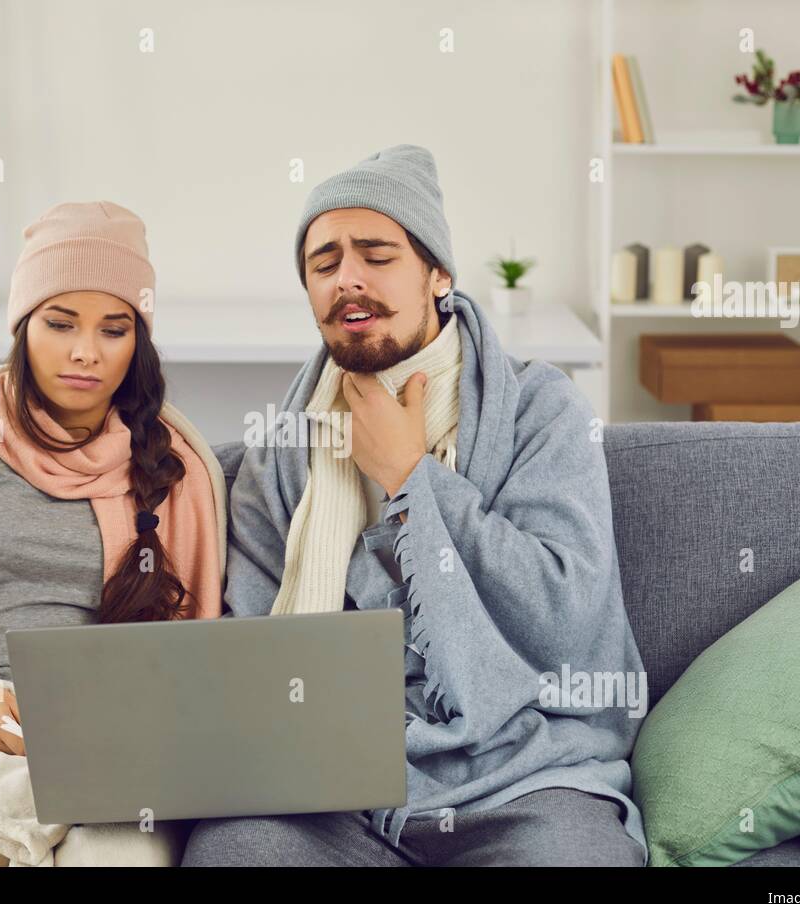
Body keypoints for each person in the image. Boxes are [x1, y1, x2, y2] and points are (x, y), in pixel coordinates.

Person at [180, 145, 649, 866]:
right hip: (334, 793)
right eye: (324, 262)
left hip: (523, 778)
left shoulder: (539, 410)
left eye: (377, 253)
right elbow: (254, 647)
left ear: (438, 275)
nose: (349, 279)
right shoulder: (286, 444)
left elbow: (565, 614)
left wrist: (411, 479)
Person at [0, 200, 226, 756]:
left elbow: (187, 660)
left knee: (110, 843)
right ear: (23, 328)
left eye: (113, 330)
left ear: (136, 341)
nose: (85, 353)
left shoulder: (171, 462)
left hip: (105, 733)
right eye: (60, 324)